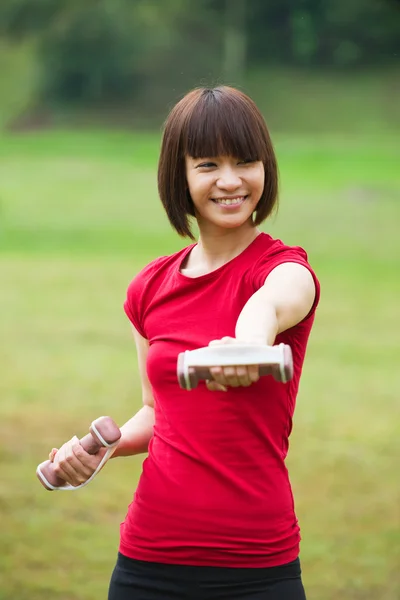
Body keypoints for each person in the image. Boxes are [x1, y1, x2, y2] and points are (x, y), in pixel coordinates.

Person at [49, 86, 320, 600]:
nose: (231, 180)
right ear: (180, 174)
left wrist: (247, 347)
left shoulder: (285, 270)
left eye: (246, 161)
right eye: (208, 165)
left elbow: (269, 304)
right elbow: (158, 412)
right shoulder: (148, 288)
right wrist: (99, 451)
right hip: (147, 561)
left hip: (257, 566)